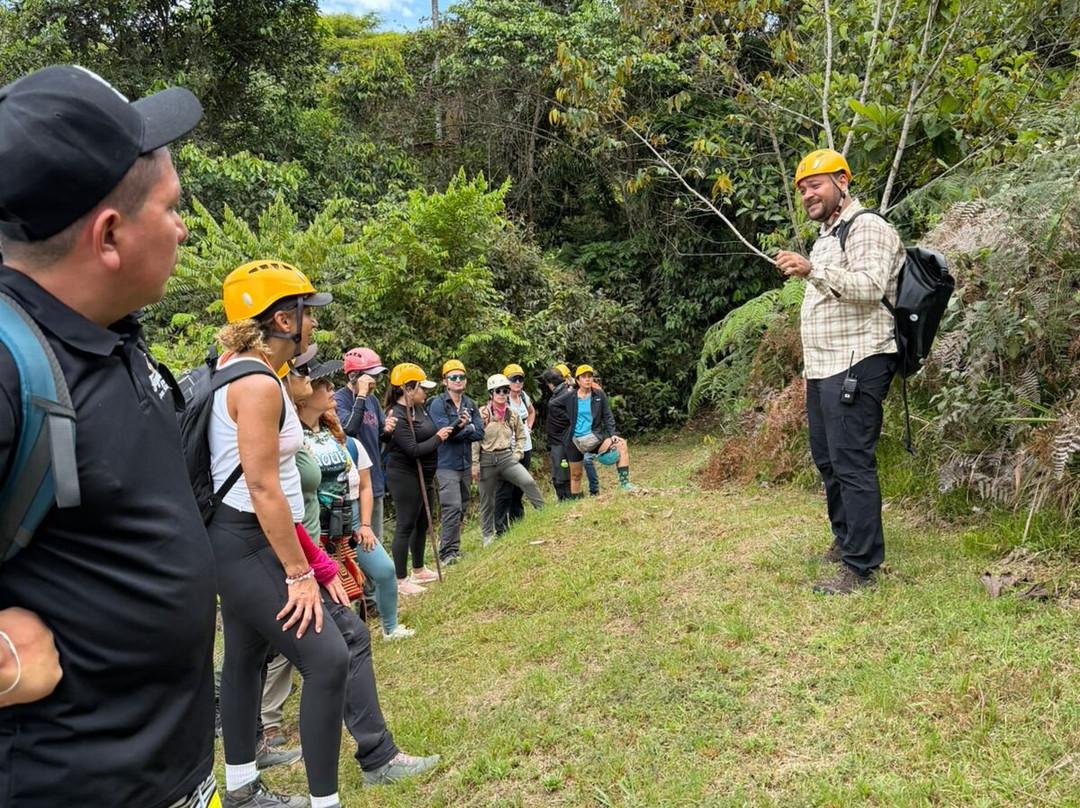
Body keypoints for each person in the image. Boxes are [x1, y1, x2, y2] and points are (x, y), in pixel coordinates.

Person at [0, 66, 218, 807]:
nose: (183, 228)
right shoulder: (8, 366)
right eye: (172, 208)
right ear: (111, 235)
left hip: (176, 777)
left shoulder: (108, 334)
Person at [775, 148, 904, 595]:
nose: (808, 194)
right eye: (803, 189)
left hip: (860, 360)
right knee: (829, 460)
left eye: (817, 184)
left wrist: (813, 269)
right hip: (825, 366)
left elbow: (869, 287)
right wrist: (815, 266)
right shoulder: (827, 235)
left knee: (852, 463)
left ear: (842, 183)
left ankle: (861, 567)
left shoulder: (867, 226)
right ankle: (846, 538)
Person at [295, 357, 411, 640]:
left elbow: (362, 483)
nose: (331, 389)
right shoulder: (292, 437)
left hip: (349, 520)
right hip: (315, 527)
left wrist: (365, 524)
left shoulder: (338, 435)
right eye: (323, 385)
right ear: (303, 398)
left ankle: (390, 627)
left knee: (383, 571)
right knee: (333, 593)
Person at [384, 363, 451, 594]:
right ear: (408, 389)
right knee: (406, 524)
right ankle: (400, 579)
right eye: (422, 388)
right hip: (404, 475)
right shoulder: (397, 416)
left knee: (423, 523)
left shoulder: (418, 409)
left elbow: (429, 434)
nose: (425, 392)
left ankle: (419, 569)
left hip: (426, 475)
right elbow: (412, 449)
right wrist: (439, 439)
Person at [473, 374, 544, 544]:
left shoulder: (512, 414)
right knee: (487, 500)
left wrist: (517, 453)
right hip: (486, 460)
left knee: (527, 481)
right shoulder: (482, 413)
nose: (502, 394)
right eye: (498, 391)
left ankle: (544, 512)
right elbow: (475, 440)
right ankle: (488, 535)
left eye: (505, 390)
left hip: (506, 456)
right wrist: (474, 464)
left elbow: (521, 435)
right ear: (491, 393)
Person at [334, 347, 396, 543]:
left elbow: (381, 438)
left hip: (373, 480)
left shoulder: (373, 401)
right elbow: (348, 431)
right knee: (353, 545)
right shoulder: (339, 399)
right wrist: (360, 395)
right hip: (349, 485)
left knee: (374, 541)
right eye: (370, 376)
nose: (374, 382)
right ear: (354, 376)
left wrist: (387, 430)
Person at [430, 359, 484, 565]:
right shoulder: (438, 404)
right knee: (451, 506)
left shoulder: (470, 404)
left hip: (465, 463)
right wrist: (465, 429)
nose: (458, 380)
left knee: (462, 505)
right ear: (445, 381)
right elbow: (446, 434)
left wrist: (465, 429)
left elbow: (480, 431)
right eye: (453, 377)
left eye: (461, 377)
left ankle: (454, 546)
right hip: (445, 464)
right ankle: (447, 553)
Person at [565, 365, 634, 494]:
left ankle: (625, 484)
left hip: (593, 438)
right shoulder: (570, 397)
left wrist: (612, 433)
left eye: (590, 376)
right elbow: (554, 409)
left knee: (621, 444)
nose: (587, 379)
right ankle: (575, 502)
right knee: (576, 475)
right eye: (584, 377)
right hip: (574, 440)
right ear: (578, 381)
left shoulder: (599, 395)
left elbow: (607, 415)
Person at [495, 362, 536, 532]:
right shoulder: (502, 399)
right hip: (508, 450)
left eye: (520, 379)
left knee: (520, 486)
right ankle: (501, 526)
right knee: (505, 489)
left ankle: (517, 519)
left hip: (525, 447)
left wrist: (528, 427)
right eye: (514, 379)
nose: (517, 382)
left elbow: (532, 412)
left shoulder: (524, 396)